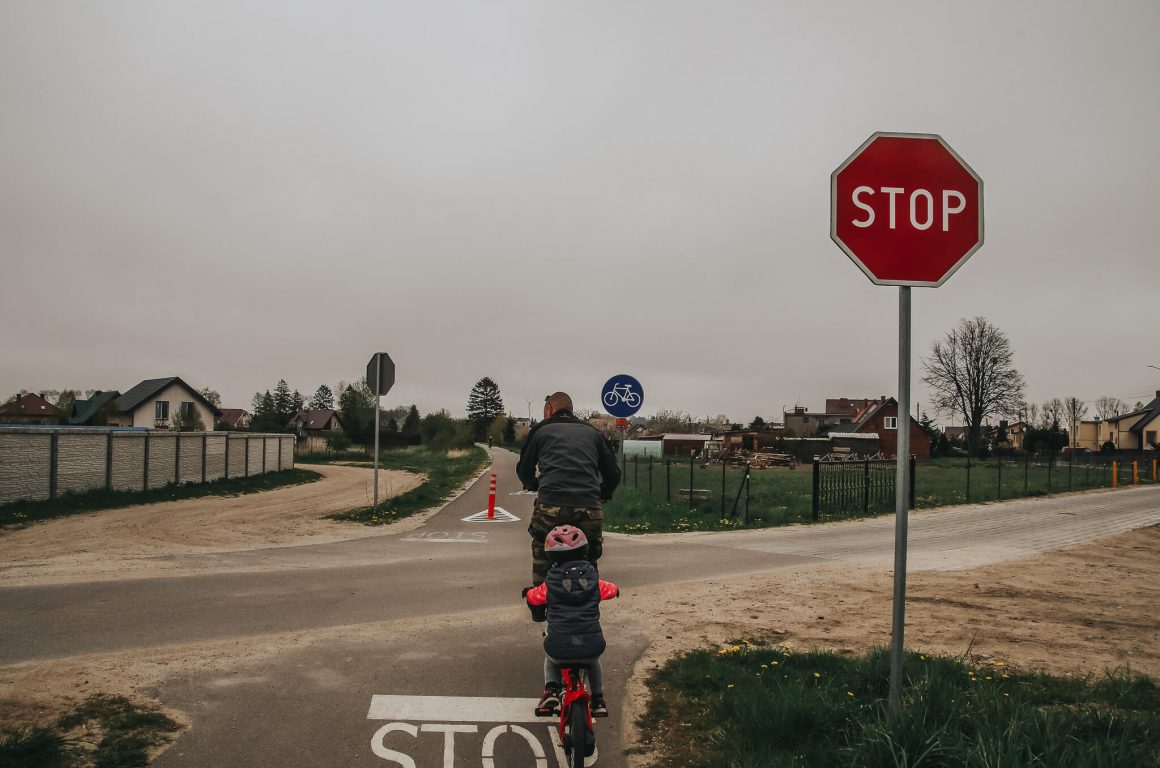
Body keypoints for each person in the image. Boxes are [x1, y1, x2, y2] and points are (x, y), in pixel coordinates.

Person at [517, 391, 621, 586]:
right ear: (571, 409)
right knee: (590, 555)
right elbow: (613, 473)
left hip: (551, 507)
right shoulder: (593, 432)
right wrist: (603, 494)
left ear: (550, 409)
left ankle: (541, 596)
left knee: (541, 547)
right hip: (588, 508)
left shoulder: (540, 430)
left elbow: (523, 470)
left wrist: (534, 485)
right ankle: (589, 593)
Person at [523, 525, 619, 717]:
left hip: (560, 646)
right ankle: (598, 699)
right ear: (584, 550)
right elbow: (611, 590)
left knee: (550, 656)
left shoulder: (550, 584)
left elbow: (534, 597)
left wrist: (528, 593)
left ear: (551, 556)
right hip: (591, 645)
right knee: (593, 661)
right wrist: (616, 590)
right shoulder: (594, 580)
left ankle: (551, 690)